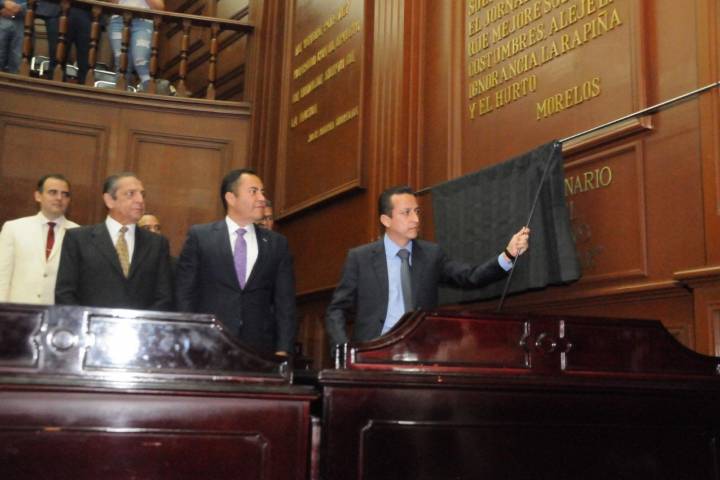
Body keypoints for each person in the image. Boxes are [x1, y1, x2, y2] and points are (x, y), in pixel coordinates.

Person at [325, 185, 530, 351]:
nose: (415, 219)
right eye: (406, 213)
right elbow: (336, 310)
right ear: (386, 220)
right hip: (372, 352)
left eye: (417, 212)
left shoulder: (432, 255)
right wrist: (343, 350)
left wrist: (508, 255)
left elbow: (470, 276)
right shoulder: (360, 258)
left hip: (421, 351)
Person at [175, 168, 296, 356]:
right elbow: (184, 293)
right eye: (253, 191)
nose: (262, 198)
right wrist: (188, 338)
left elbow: (285, 302)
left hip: (259, 347)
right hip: (207, 344)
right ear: (231, 198)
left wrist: (284, 349)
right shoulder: (201, 237)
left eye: (262, 192)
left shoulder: (277, 243)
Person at [55, 172, 172, 310]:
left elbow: (164, 297)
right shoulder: (78, 239)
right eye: (131, 194)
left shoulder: (157, 244)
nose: (140, 200)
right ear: (109, 200)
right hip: (89, 322)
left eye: (142, 194)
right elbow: (65, 293)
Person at [0, 174, 79, 304]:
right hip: (18, 309)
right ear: (38, 196)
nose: (59, 198)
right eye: (53, 192)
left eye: (65, 194)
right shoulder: (14, 228)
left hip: (58, 311)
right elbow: (2, 275)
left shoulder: (78, 233)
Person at [108, 0, 164, 90]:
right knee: (121, 64)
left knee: (141, 61)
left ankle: (150, 96)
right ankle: (120, 97)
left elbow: (159, 7)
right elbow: (111, 4)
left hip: (144, 20)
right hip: (118, 19)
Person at [0, 0, 25, 73]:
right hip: (2, 17)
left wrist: (20, 8)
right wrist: (3, 3)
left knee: (16, 60)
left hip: (23, 21)